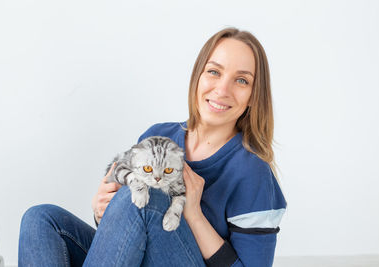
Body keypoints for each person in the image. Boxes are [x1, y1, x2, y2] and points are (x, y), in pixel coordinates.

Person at [18, 27, 287, 267]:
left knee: (145, 199)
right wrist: (103, 210)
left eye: (241, 80)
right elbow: (126, 235)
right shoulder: (157, 135)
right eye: (214, 72)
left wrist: (192, 214)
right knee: (41, 219)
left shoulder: (253, 173)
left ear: (253, 96)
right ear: (198, 77)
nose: (222, 89)